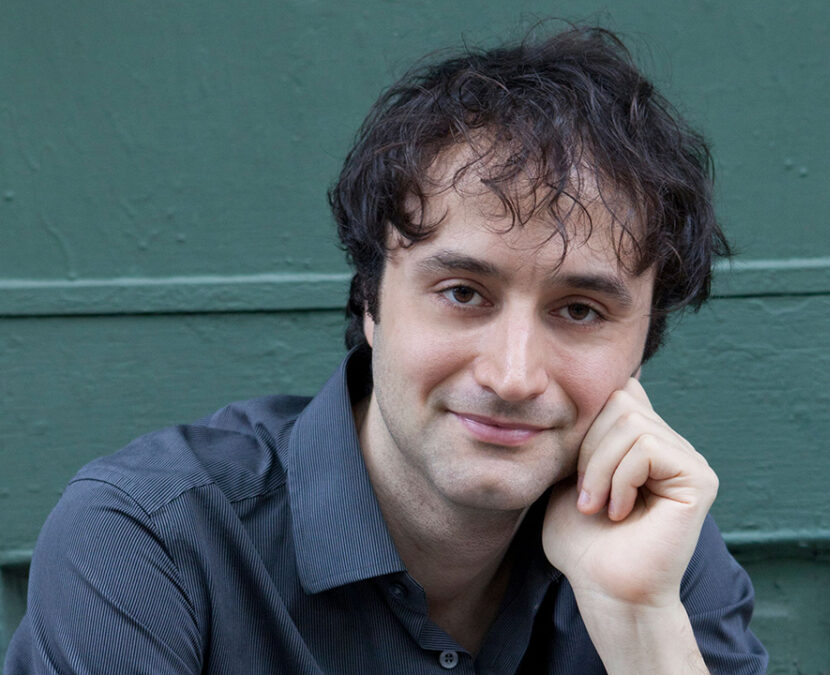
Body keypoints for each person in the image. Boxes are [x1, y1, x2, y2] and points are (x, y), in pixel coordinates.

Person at [5, 26, 767, 674]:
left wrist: (640, 626)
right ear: (371, 298)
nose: (512, 374)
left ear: (641, 344)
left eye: (579, 309)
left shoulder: (658, 557)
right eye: (463, 292)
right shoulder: (153, 540)